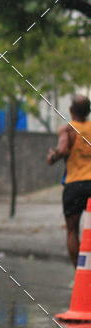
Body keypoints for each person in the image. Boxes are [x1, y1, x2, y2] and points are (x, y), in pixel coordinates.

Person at [48, 94, 91, 266]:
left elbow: (62, 150)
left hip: (75, 184)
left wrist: (52, 156)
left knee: (72, 231)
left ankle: (79, 272)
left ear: (71, 110)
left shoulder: (68, 129)